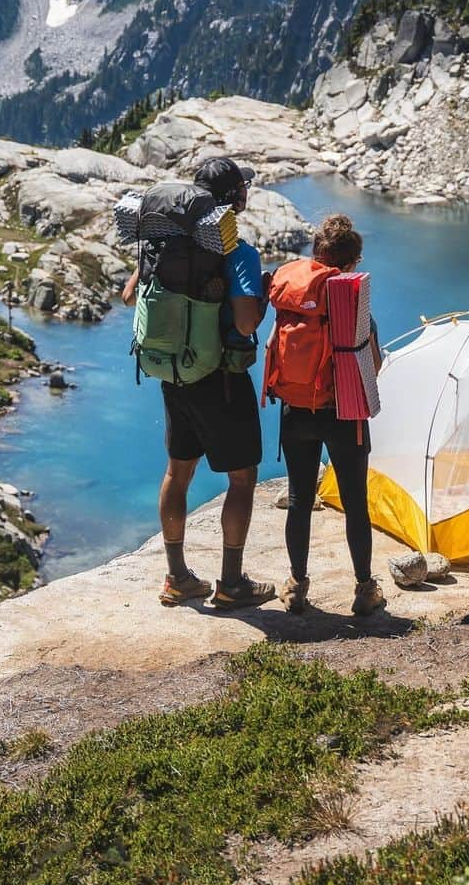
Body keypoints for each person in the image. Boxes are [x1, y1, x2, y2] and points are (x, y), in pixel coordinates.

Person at [123, 156, 276, 610]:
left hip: (174, 374)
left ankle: (178, 577)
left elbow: (129, 295)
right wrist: (262, 297)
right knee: (243, 478)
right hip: (221, 379)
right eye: (243, 188)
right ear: (234, 199)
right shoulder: (238, 252)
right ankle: (231, 582)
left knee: (178, 471)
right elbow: (246, 324)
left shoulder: (162, 247)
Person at [275, 214, 385, 617]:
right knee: (356, 503)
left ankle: (296, 586)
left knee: (300, 500)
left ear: (315, 254)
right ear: (353, 263)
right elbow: (371, 361)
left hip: (296, 410)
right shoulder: (352, 301)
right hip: (343, 414)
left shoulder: (294, 293)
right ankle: (364, 589)